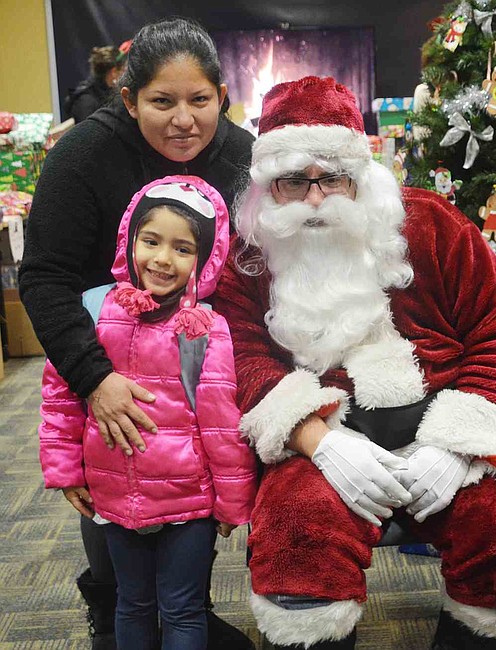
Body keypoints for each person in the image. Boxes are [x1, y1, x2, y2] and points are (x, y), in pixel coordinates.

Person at [212, 75, 496, 650]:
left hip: (452, 426)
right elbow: (241, 359)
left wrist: (462, 445)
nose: (314, 198)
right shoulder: (249, 254)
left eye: (332, 177)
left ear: (362, 176)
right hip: (327, 437)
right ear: (265, 187)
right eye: (292, 181)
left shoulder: (434, 226)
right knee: (296, 536)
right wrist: (317, 439)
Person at [19, 17, 255, 650]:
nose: (184, 119)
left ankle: (187, 611)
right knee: (113, 494)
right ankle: (114, 611)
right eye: (162, 101)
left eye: (199, 100)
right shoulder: (85, 155)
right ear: (128, 99)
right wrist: (94, 379)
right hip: (106, 358)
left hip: (198, 359)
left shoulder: (241, 155)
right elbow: (44, 278)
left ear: (221, 96)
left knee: (189, 502)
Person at [38, 175, 257, 650]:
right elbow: (61, 395)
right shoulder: (96, 311)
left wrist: (231, 501)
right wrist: (65, 471)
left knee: (182, 608)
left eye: (182, 248)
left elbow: (221, 422)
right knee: (131, 603)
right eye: (150, 241)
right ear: (129, 239)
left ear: (206, 257)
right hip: (115, 494)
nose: (161, 259)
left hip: (188, 500)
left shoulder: (205, 329)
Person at [63, 42, 130, 123]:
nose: (125, 74)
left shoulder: (110, 93)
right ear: (114, 72)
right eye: (123, 70)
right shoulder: (86, 101)